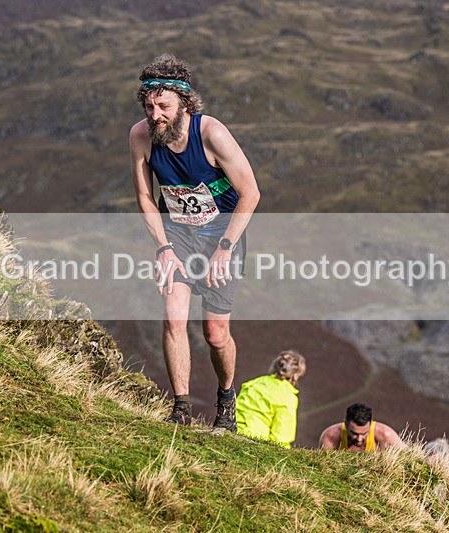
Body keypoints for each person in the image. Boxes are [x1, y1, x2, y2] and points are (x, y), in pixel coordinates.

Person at [129, 54, 260, 431]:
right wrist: (163, 248)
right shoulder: (140, 136)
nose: (155, 115)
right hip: (178, 235)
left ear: (185, 104)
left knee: (215, 335)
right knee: (173, 318)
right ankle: (181, 409)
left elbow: (250, 192)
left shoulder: (211, 133)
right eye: (149, 106)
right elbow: (144, 198)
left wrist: (225, 248)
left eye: (164, 106)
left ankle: (226, 399)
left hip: (222, 234)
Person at [236, 350, 306, 448]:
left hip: (232, 430)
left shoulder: (255, 382)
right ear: (295, 375)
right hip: (254, 441)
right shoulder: (288, 396)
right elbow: (281, 437)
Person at [319, 403, 406, 451]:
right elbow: (323, 467)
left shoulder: (385, 435)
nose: (359, 439)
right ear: (346, 424)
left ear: (371, 424)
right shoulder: (330, 436)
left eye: (364, 433)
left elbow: (408, 458)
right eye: (354, 433)